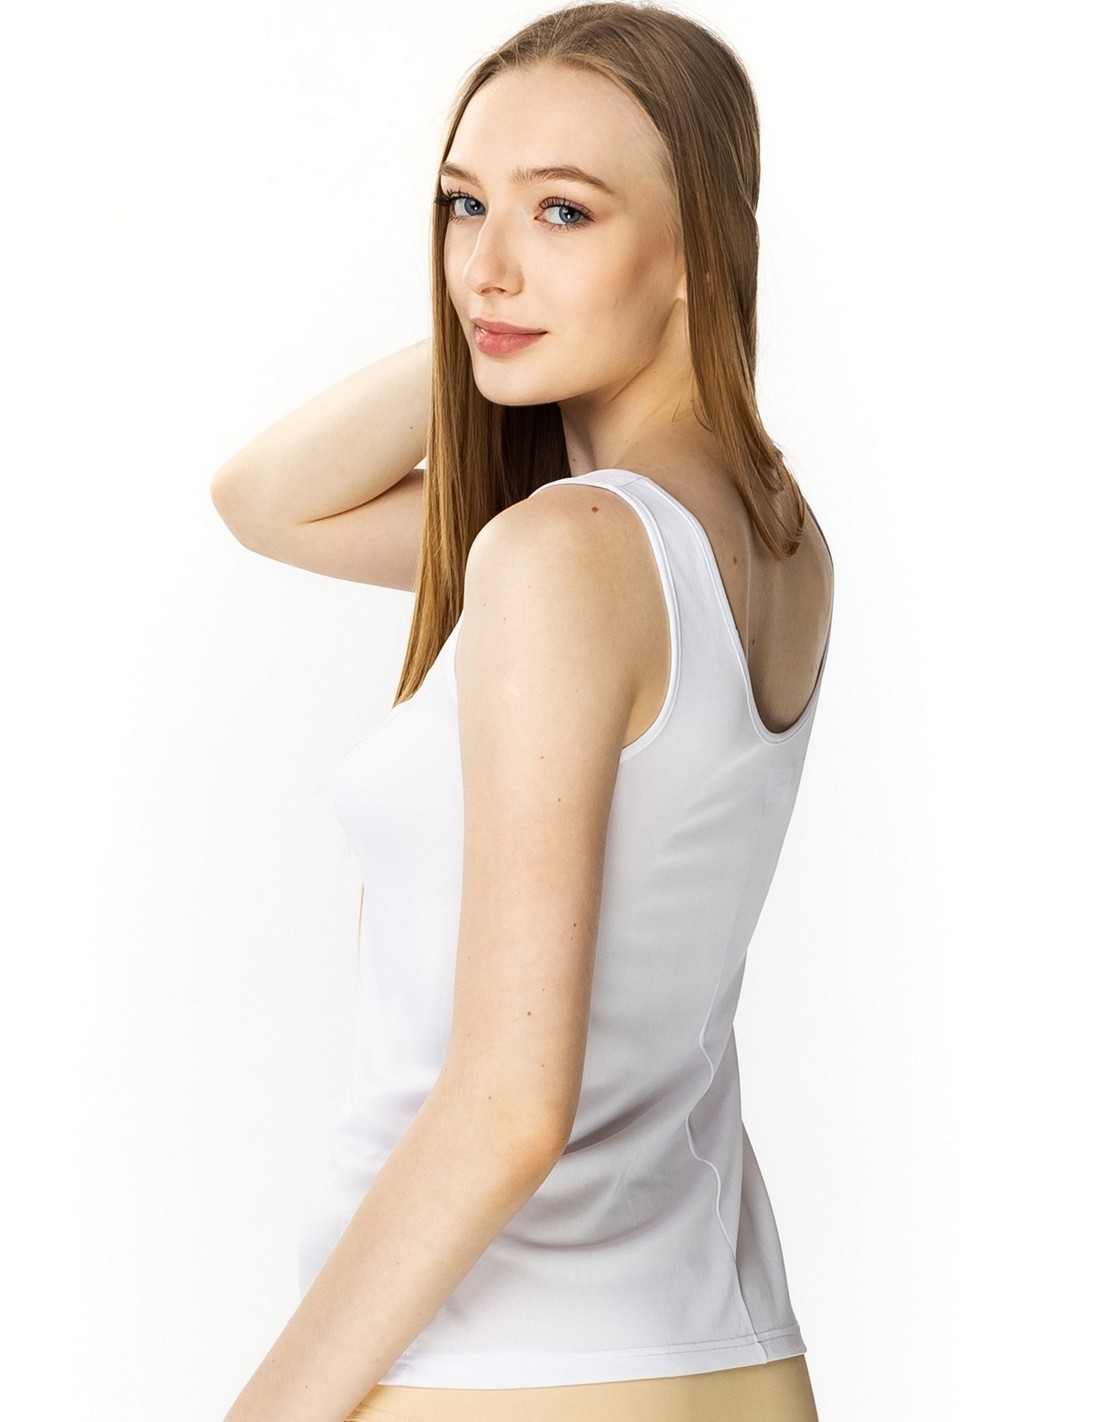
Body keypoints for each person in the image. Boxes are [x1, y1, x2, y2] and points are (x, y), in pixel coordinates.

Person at [211, 4, 833, 1419]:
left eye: (564, 211)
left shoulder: (567, 555)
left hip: (508, 1367)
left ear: (698, 247)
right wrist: (511, 318)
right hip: (722, 1349)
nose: (485, 262)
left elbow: (506, 1108)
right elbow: (265, 500)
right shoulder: (773, 534)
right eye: (462, 205)